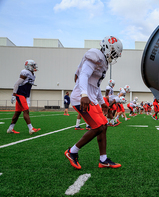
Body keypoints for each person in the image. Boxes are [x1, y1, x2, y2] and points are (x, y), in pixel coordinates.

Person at [64, 35, 123, 170]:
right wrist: (84, 94)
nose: (114, 57)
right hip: (82, 97)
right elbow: (83, 75)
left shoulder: (104, 62)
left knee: (104, 125)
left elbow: (95, 85)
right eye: (113, 53)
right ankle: (72, 152)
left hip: (91, 98)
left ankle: (103, 160)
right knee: (97, 127)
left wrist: (102, 102)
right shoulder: (95, 55)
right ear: (108, 48)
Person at [7, 60, 41, 135]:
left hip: (24, 95)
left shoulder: (33, 74)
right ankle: (31, 128)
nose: (34, 67)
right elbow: (17, 84)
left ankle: (10, 129)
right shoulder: (25, 72)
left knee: (17, 113)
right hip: (20, 94)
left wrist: (27, 97)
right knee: (26, 110)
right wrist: (14, 94)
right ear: (29, 66)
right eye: (33, 65)